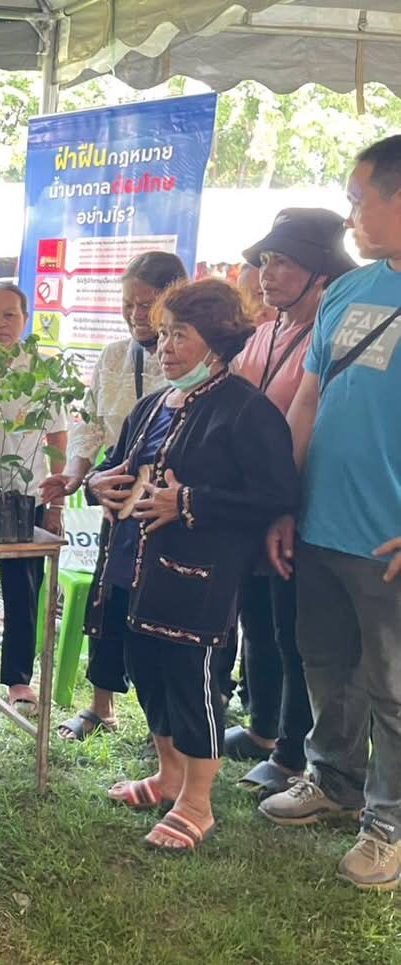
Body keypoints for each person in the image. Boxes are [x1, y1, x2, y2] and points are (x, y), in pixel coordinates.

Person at [84, 279, 298, 851]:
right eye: (163, 334)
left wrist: (188, 502)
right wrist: (96, 483)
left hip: (197, 579)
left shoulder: (246, 410)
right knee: (148, 672)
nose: (165, 347)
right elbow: (115, 464)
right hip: (131, 570)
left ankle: (197, 804)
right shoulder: (154, 404)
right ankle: (168, 777)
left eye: (180, 335)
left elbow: (276, 494)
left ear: (218, 340)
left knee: (191, 682)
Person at [260, 135, 401, 891]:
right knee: (325, 663)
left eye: (358, 198)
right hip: (321, 524)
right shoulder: (350, 291)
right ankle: (334, 779)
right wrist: (284, 502)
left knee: (393, 688)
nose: (350, 215)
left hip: (388, 539)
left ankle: (389, 824)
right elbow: (309, 400)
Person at [225, 209, 357, 796]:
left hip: (298, 501)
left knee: (293, 631)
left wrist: (283, 499)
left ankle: (293, 751)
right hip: (250, 501)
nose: (267, 273)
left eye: (283, 262)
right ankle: (263, 728)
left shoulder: (332, 335)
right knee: (256, 620)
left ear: (321, 272)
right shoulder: (265, 330)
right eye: (264, 261)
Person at [41, 251, 188, 741]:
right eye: (128, 304)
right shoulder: (113, 356)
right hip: (119, 496)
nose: (136, 315)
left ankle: (169, 725)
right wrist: (75, 476)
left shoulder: (194, 359)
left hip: (171, 502)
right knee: (109, 600)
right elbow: (90, 424)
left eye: (147, 304)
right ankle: (101, 706)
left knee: (166, 612)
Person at [0, 281, 67, 716]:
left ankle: (19, 680)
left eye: (10, 315)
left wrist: (57, 501)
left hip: (26, 496)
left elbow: (57, 436)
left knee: (23, 590)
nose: (0, 324)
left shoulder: (41, 370)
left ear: (25, 320)